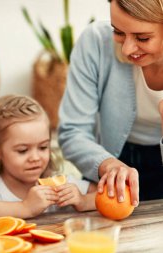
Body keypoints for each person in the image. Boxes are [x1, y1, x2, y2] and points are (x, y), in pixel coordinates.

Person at [58, 0, 163, 205]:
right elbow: (72, 132)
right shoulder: (96, 41)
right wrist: (108, 165)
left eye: (142, 38)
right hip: (107, 160)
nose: (126, 49)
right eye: (118, 32)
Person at [0, 95, 96, 221]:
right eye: (23, 150)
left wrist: (83, 201)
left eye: (43, 147)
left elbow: (107, 195)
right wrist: (25, 207)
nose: (35, 157)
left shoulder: (62, 185)